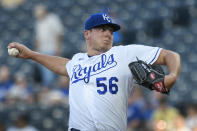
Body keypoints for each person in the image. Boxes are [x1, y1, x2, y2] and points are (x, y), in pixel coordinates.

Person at [8, 13, 181, 131]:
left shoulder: (124, 53)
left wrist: (172, 75)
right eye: (102, 29)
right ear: (87, 34)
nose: (108, 34)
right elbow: (63, 65)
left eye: (111, 30)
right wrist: (31, 54)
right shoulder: (77, 61)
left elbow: (170, 55)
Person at [34, 4, 64, 87]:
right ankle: (48, 89)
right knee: (45, 73)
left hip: (52, 49)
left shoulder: (53, 19)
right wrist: (36, 51)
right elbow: (38, 38)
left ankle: (52, 89)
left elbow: (59, 34)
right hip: (42, 50)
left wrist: (58, 48)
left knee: (51, 73)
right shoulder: (39, 22)